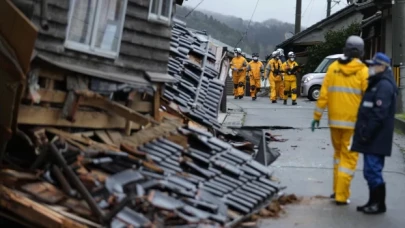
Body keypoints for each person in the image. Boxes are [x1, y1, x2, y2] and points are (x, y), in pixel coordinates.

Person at [311, 35, 369, 205]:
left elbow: (323, 95)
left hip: (334, 122)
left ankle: (337, 190)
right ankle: (341, 196)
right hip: (353, 123)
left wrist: (316, 117)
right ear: (361, 52)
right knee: (348, 159)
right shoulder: (363, 71)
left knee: (337, 156)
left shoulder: (334, 68)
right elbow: (368, 98)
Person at [350, 52, 397, 214]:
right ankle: (372, 201)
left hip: (377, 136)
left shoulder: (384, 85)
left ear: (382, 67)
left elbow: (379, 113)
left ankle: (378, 204)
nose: (370, 67)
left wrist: (366, 133)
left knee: (373, 170)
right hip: (373, 135)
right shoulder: (377, 82)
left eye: (373, 65)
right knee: (369, 170)